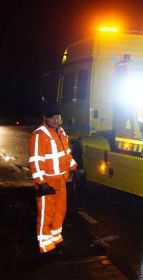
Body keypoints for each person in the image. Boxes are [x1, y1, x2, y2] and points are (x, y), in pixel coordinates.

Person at [29, 104, 77, 253]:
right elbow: (36, 161)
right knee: (46, 213)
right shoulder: (39, 135)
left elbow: (66, 153)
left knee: (60, 210)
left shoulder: (61, 132)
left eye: (59, 116)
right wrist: (41, 183)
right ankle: (45, 245)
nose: (57, 120)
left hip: (61, 180)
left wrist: (74, 166)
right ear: (45, 118)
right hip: (47, 182)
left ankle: (55, 238)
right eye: (53, 117)